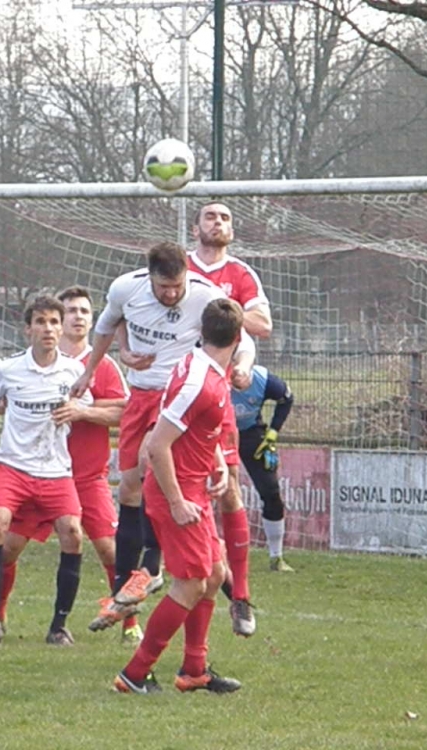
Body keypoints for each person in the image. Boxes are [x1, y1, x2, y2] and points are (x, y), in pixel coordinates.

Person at [71, 242, 256, 633]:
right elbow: (105, 326)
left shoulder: (207, 295)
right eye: (164, 287)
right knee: (129, 489)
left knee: (226, 491)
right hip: (142, 395)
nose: (171, 294)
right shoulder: (126, 289)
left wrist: (243, 365)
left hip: (191, 399)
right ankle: (127, 587)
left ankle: (239, 595)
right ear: (149, 276)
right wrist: (94, 370)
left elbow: (242, 337)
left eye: (177, 286)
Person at [0, 286, 143, 643]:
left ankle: (128, 623)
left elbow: (126, 413)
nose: (78, 317)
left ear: (93, 321)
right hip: (36, 473)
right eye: (71, 310)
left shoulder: (102, 366)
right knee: (8, 547)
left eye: (85, 312)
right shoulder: (31, 363)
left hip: (85, 479)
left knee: (110, 549)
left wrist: (84, 411)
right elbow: (2, 403)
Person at [114, 298, 245, 695]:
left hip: (194, 488)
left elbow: (197, 434)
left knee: (215, 574)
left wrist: (217, 461)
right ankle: (134, 674)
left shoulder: (201, 367)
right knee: (189, 584)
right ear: (238, 339)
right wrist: (175, 501)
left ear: (201, 332)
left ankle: (194, 671)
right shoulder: (200, 383)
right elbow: (157, 445)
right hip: (178, 494)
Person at [0, 296, 87, 646]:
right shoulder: (8, 369)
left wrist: (78, 410)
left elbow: (89, 407)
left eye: (54, 321)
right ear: (28, 329)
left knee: (73, 533)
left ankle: (59, 625)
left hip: (55, 469)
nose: (49, 328)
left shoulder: (74, 371)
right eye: (41, 322)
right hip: (13, 465)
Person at [186, 201, 272, 637]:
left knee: (228, 491)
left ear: (231, 231)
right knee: (144, 476)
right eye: (209, 217)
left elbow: (262, 323)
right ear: (194, 226)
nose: (217, 223)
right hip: (177, 390)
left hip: (217, 397)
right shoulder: (177, 269)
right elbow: (132, 308)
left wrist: (238, 350)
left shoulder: (240, 274)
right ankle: (145, 569)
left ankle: (239, 595)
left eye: (224, 218)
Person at [233, 364, 296, 572]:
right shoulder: (212, 376)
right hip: (216, 434)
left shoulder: (265, 380)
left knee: (271, 492)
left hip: (251, 433)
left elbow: (286, 399)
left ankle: (276, 557)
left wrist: (273, 432)